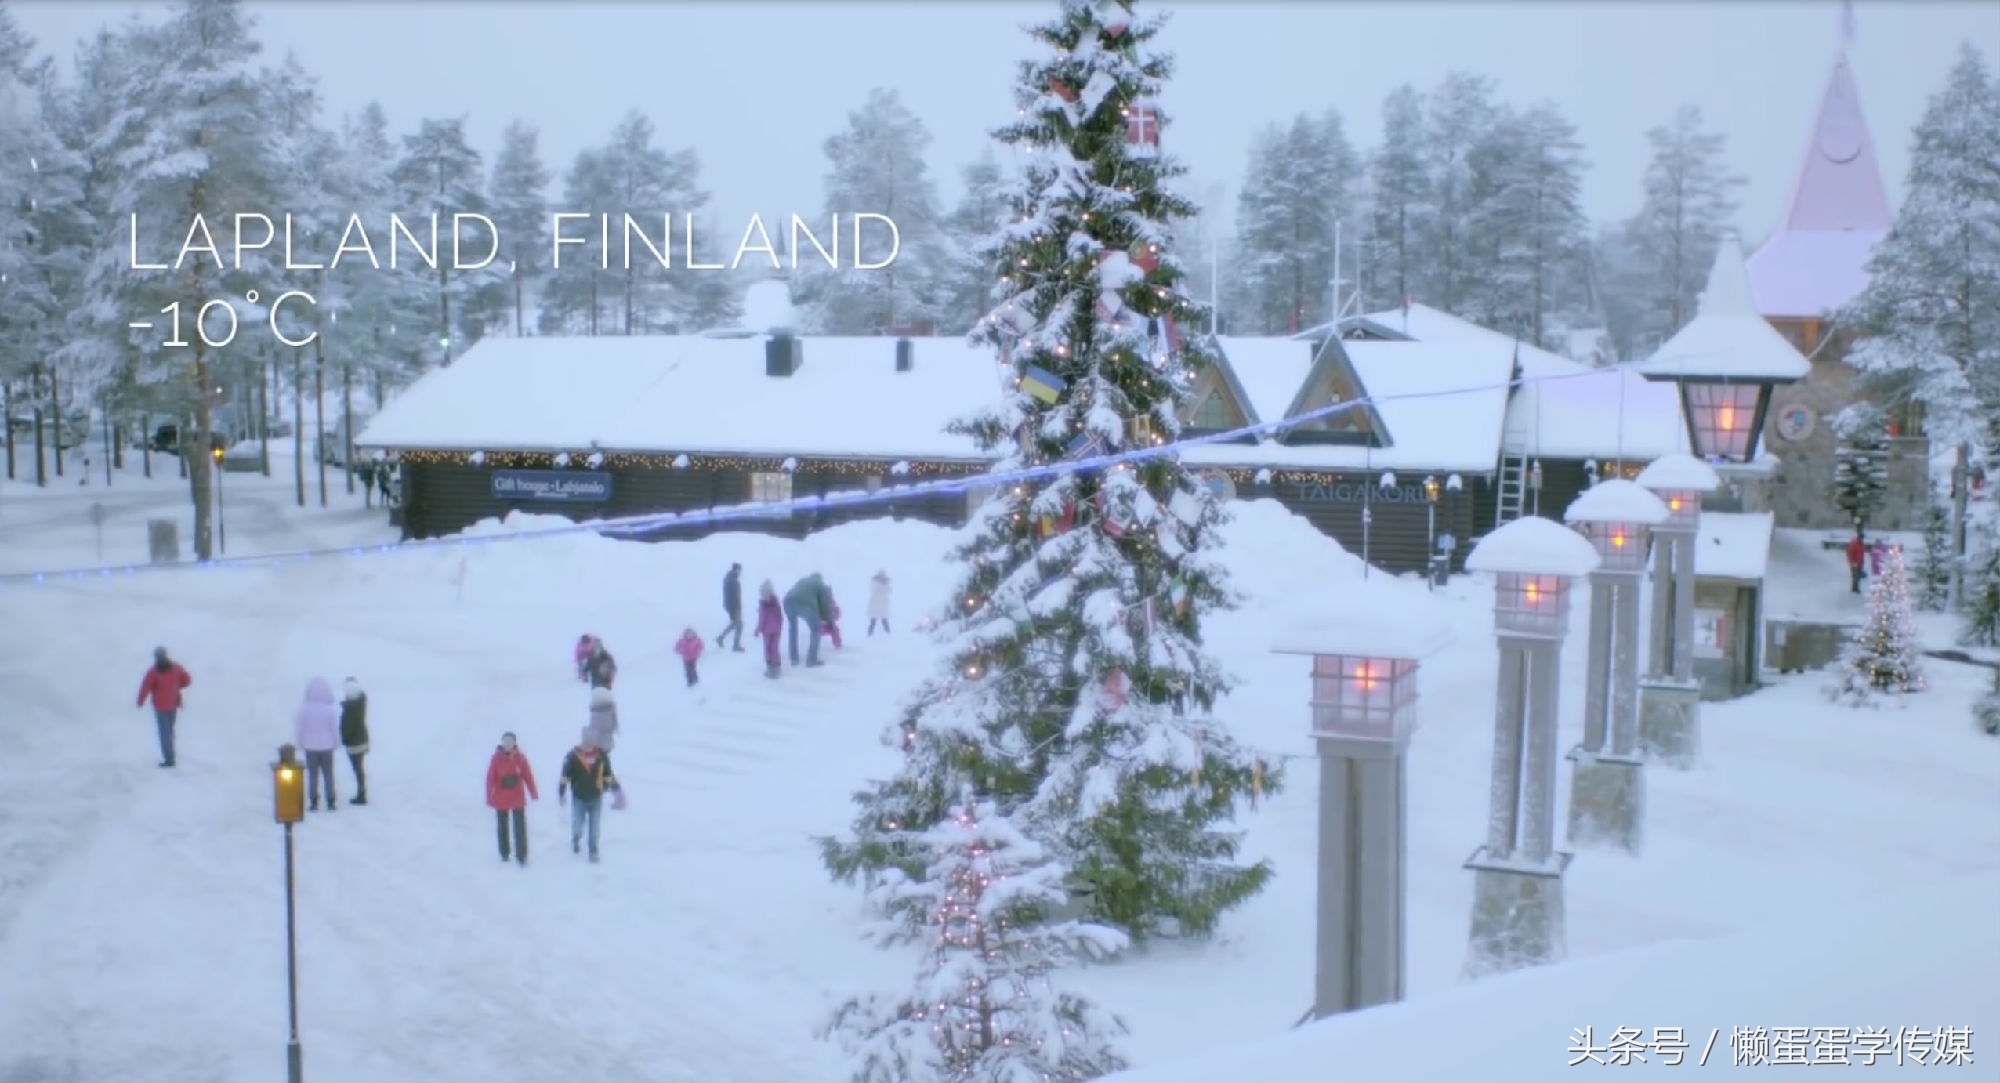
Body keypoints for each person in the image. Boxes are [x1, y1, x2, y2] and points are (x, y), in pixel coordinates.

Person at [558, 728, 620, 863]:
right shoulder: (572, 756)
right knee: (577, 824)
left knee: (594, 826)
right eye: (586, 736)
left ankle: (593, 851)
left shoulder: (601, 755)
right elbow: (564, 776)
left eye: (591, 736)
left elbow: (608, 774)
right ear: (582, 737)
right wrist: (561, 792)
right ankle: (576, 838)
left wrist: (609, 787)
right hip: (579, 797)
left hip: (596, 797)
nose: (588, 738)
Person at [485, 732, 539, 866]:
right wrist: (489, 796)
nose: (507, 744)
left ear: (514, 743)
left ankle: (522, 855)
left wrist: (533, 792)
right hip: (501, 798)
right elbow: (490, 778)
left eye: (510, 741)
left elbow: (528, 776)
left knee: (520, 828)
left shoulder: (520, 758)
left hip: (517, 798)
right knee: (502, 827)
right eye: (505, 741)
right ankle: (504, 853)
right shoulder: (496, 759)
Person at [136, 647, 193, 768]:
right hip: (173, 703)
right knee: (170, 730)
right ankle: (171, 754)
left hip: (160, 706)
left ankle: (169, 759)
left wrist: (140, 701)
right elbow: (187, 680)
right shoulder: (176, 668)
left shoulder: (153, 671)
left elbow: (145, 687)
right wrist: (176, 686)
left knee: (164, 732)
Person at [294, 677, 342, 812]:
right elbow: (334, 729)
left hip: (310, 747)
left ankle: (314, 801)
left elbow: (300, 729)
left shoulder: (304, 710)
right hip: (327, 747)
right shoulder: (328, 710)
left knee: (312, 775)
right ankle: (331, 800)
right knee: (328, 774)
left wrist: (299, 743)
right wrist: (336, 743)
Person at [783, 572, 830, 667]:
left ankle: (794, 658)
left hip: (788, 601)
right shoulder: (820, 584)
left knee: (793, 629)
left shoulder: (803, 580)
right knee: (816, 630)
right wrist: (829, 620)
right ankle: (811, 660)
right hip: (805, 605)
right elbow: (824, 605)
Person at [339, 677, 370, 806]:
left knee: (357, 769)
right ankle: (362, 792)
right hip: (362, 738)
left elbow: (347, 728)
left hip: (353, 743)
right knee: (360, 768)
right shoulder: (361, 703)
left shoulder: (349, 710)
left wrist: (344, 739)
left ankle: (361, 794)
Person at [755, 580, 784, 678]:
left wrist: (758, 630)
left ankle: (772, 667)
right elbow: (780, 616)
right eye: (763, 594)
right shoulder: (775, 603)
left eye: (765, 593)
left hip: (769, 631)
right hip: (774, 630)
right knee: (773, 648)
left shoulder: (764, 605)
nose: (764, 596)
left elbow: (762, 619)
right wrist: (780, 626)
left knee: (769, 648)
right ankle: (775, 667)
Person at [717, 563, 745, 652]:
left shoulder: (731, 579)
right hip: (734, 607)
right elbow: (731, 596)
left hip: (734, 606)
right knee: (739, 625)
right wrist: (732, 609)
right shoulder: (731, 580)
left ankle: (720, 638)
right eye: (739, 570)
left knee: (734, 624)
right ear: (736, 570)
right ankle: (736, 645)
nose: (740, 572)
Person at [587, 686, 619, 752]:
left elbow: (593, 728)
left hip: (597, 744)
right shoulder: (611, 708)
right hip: (607, 743)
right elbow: (614, 724)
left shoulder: (595, 711)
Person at [867, 570, 892, 636]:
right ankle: (869, 635)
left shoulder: (886, 583)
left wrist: (885, 583)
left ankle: (889, 635)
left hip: (883, 606)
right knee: (873, 622)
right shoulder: (874, 582)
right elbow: (873, 590)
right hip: (875, 606)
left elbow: (889, 591)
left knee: (885, 621)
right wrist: (879, 583)